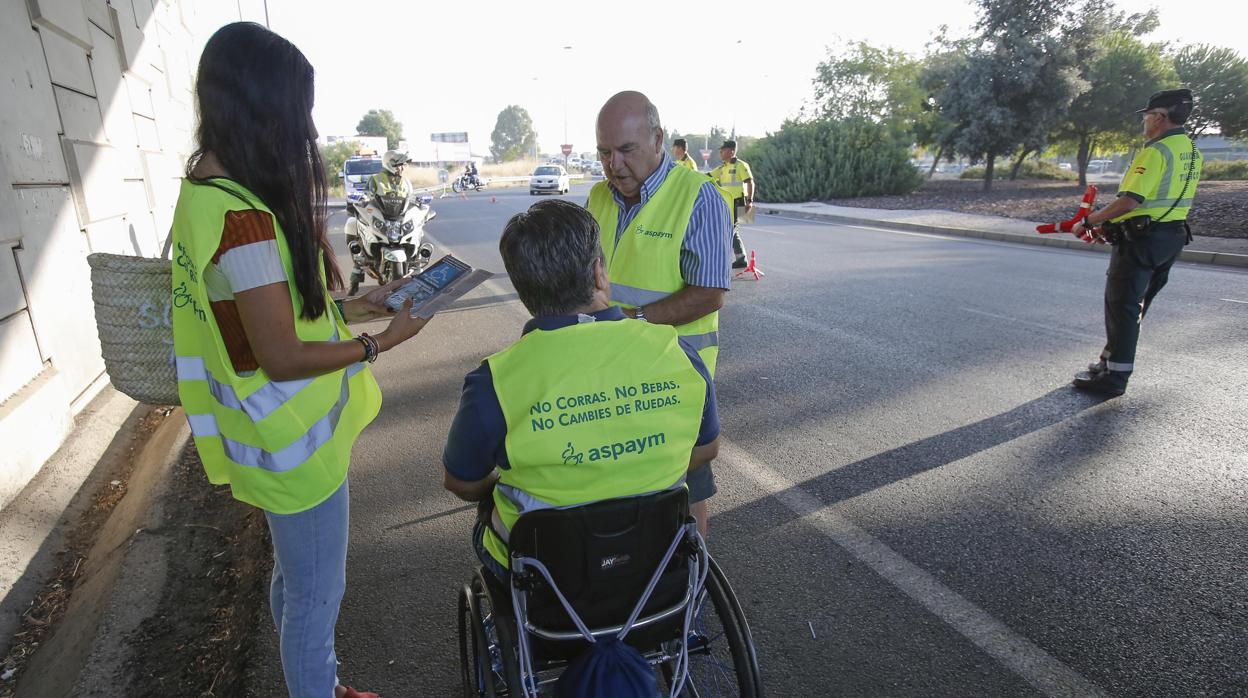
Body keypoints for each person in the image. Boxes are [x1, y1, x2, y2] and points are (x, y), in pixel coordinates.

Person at [170, 22, 429, 698]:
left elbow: (262, 314)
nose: (309, 130)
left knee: (296, 579)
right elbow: (282, 355)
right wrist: (381, 342)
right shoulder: (245, 221)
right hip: (294, 449)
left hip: (267, 438)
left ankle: (320, 683)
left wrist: (362, 305)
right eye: (299, 111)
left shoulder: (205, 193)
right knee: (315, 599)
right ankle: (317, 685)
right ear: (260, 109)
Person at [441, 200, 720, 579]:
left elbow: (461, 481)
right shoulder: (678, 352)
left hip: (550, 574)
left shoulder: (494, 380)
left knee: (491, 519)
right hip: (655, 556)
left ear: (524, 291)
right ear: (598, 272)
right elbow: (705, 450)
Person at [588, 90, 732, 535]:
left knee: (685, 492)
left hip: (674, 379)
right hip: (606, 376)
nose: (614, 165)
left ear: (657, 139)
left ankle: (691, 574)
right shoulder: (597, 197)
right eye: (604, 152)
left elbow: (709, 293)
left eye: (625, 150)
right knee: (618, 495)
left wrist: (632, 322)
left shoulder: (699, 197)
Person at [1071, 88, 1203, 397]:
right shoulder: (1191, 150)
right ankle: (1108, 361)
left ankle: (1114, 378)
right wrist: (1110, 227)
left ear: (1159, 117)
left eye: (1147, 116)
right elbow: (1159, 200)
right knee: (1135, 307)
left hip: (1143, 241)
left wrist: (1090, 221)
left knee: (1123, 306)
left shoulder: (1156, 152)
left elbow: (1130, 201)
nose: (1144, 121)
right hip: (1171, 237)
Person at [710, 140, 755, 269]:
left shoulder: (741, 165)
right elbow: (707, 176)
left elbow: (750, 183)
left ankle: (737, 258)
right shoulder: (722, 167)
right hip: (726, 202)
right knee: (731, 229)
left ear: (731, 151)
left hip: (739, 201)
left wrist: (750, 201)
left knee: (730, 229)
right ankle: (741, 258)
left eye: (723, 150)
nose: (720, 152)